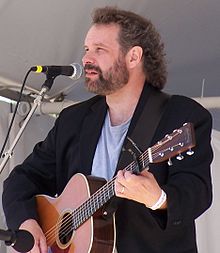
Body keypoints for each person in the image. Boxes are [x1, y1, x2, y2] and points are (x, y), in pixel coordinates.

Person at [2, 6, 213, 253]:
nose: (86, 59)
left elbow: (197, 191)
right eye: (86, 49)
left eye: (99, 50)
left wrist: (158, 199)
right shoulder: (74, 120)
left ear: (133, 57)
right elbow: (22, 179)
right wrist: (27, 222)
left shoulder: (181, 115)